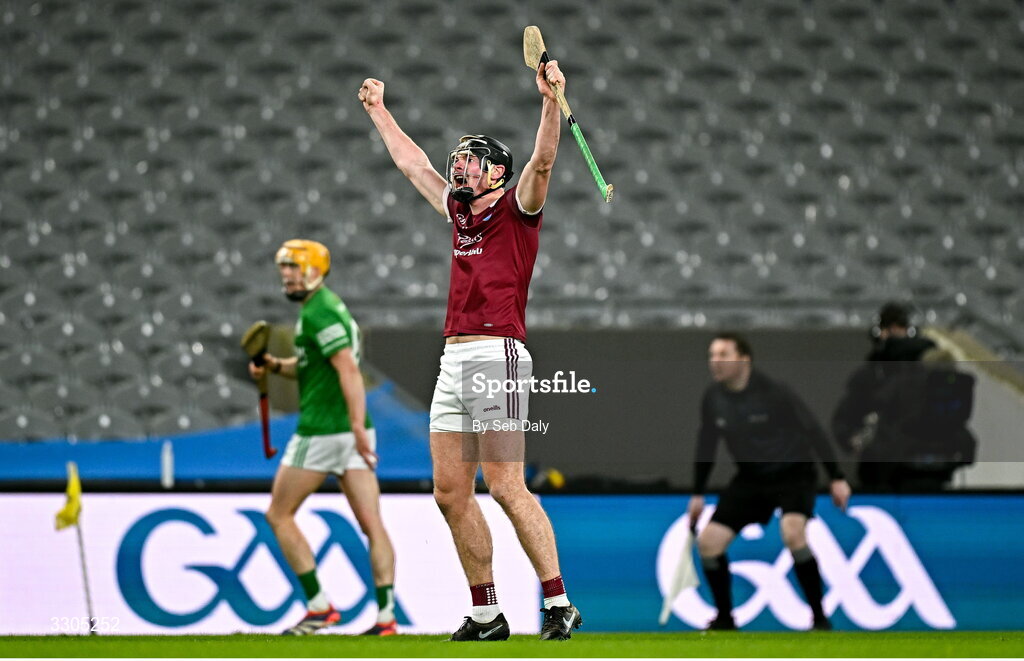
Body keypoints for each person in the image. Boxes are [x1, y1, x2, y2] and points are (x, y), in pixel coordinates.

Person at [358, 58, 582, 642]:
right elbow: (413, 165)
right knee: (449, 492)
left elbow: (545, 160)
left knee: (506, 483)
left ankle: (558, 602)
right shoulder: (458, 214)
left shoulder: (518, 209)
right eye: (460, 157)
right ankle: (487, 613)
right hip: (453, 361)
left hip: (497, 355)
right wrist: (380, 111)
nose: (460, 165)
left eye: (473, 159)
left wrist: (550, 101)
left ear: (498, 173)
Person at [248, 239, 398, 636]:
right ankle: (386, 618)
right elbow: (316, 365)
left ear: (314, 269)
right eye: (284, 268)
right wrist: (277, 366)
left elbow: (348, 369)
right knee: (372, 525)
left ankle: (318, 607)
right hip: (352, 430)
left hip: (323, 430)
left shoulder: (320, 311)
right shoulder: (323, 308)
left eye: (293, 267)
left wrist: (352, 426)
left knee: (278, 515)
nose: (286, 275)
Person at [687, 332, 852, 631]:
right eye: (712, 355)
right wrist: (698, 492)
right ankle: (725, 619)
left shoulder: (774, 393)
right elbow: (706, 445)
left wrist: (837, 478)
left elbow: (814, 431)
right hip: (751, 479)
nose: (715, 362)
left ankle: (819, 617)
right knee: (709, 543)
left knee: (793, 534)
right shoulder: (713, 399)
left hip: (793, 474)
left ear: (744, 359)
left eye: (723, 354)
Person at [831, 302, 937, 487]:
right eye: (889, 327)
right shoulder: (869, 375)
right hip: (880, 466)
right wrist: (853, 439)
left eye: (899, 327)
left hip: (921, 462)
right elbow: (844, 418)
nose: (894, 333)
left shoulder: (926, 372)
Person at [856, 348, 977, 491]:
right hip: (947, 450)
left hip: (903, 451)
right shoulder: (959, 384)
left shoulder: (905, 382)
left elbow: (877, 401)